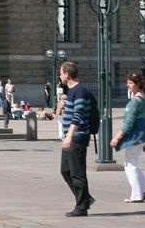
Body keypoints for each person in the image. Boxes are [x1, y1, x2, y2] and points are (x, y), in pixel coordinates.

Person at [57, 59, 99, 218]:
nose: (59, 75)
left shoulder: (80, 91)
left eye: (61, 72)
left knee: (77, 173)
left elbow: (78, 115)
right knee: (65, 170)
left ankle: (82, 207)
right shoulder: (71, 91)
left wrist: (69, 136)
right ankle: (85, 198)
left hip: (77, 137)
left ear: (67, 74)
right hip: (71, 137)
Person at [115, 72, 145, 203]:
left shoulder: (135, 102)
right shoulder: (144, 99)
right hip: (142, 135)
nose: (128, 85)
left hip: (135, 137)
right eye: (128, 83)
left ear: (138, 84)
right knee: (133, 163)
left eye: (130, 83)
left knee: (129, 165)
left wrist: (117, 137)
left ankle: (137, 195)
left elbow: (128, 122)